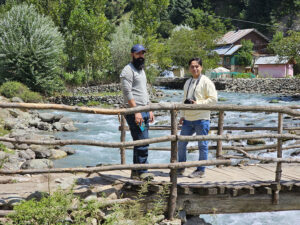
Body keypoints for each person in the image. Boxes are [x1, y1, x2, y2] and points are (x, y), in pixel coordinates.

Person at [178, 57, 217, 178]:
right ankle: (181, 167)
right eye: (192, 66)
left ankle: (201, 170)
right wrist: (182, 115)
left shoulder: (206, 81)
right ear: (189, 68)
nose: (194, 68)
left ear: (201, 67)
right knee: (181, 143)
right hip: (188, 119)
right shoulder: (188, 82)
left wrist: (198, 103)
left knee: (202, 145)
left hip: (202, 118)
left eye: (197, 66)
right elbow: (183, 100)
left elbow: (213, 99)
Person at [120, 44, 155, 181]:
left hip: (144, 111)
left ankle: (136, 172)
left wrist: (149, 108)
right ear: (132, 54)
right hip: (136, 112)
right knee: (142, 140)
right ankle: (142, 171)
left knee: (141, 140)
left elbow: (144, 91)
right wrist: (136, 111)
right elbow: (127, 92)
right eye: (138, 53)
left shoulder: (141, 70)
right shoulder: (127, 71)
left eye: (142, 53)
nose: (141, 56)